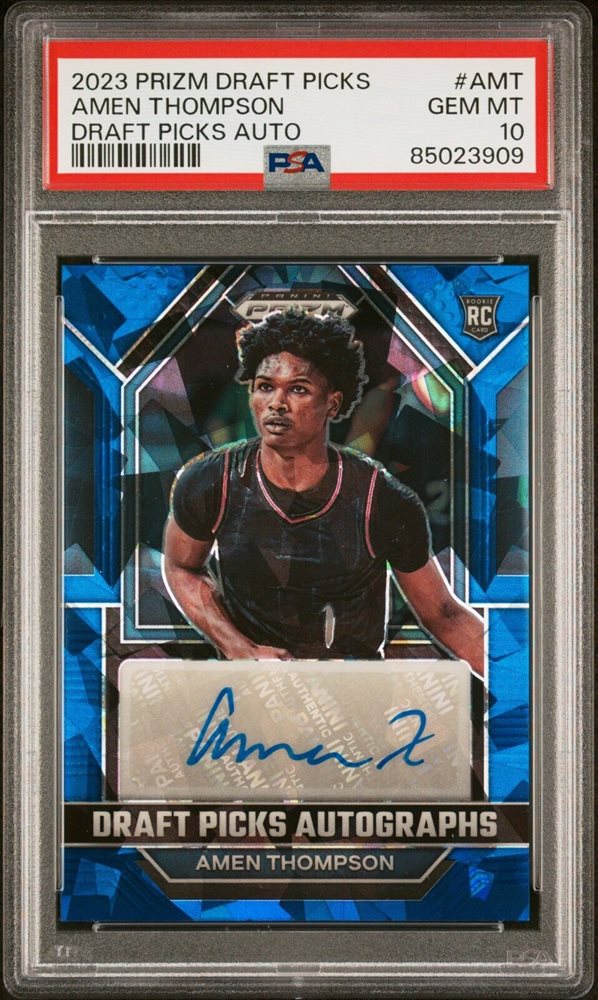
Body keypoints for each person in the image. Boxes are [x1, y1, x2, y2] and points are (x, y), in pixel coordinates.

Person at [163, 308, 484, 675]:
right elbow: (181, 566)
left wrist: (515, 682)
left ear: (332, 402)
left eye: (298, 389)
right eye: (265, 386)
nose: (277, 403)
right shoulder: (210, 480)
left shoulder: (382, 499)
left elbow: (444, 614)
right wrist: (239, 647)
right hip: (251, 688)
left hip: (351, 689)